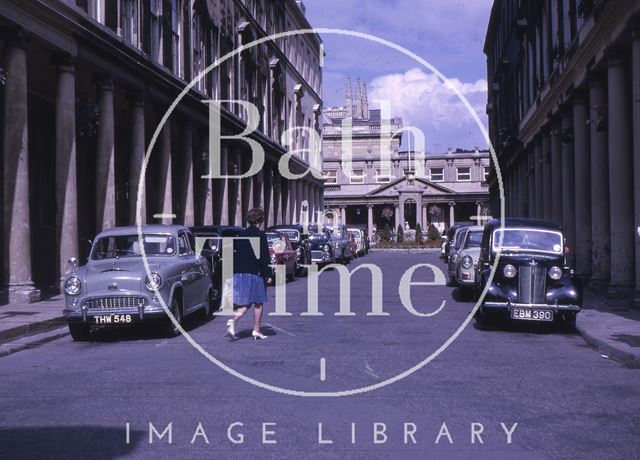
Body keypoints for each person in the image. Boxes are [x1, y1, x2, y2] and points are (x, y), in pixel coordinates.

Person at [225, 208, 272, 340]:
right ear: (260, 220)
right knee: (258, 302)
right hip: (255, 273)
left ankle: (234, 321)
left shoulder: (241, 235)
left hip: (240, 273)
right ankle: (256, 329)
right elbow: (264, 256)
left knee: (245, 303)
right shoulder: (261, 235)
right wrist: (268, 274)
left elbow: (237, 255)